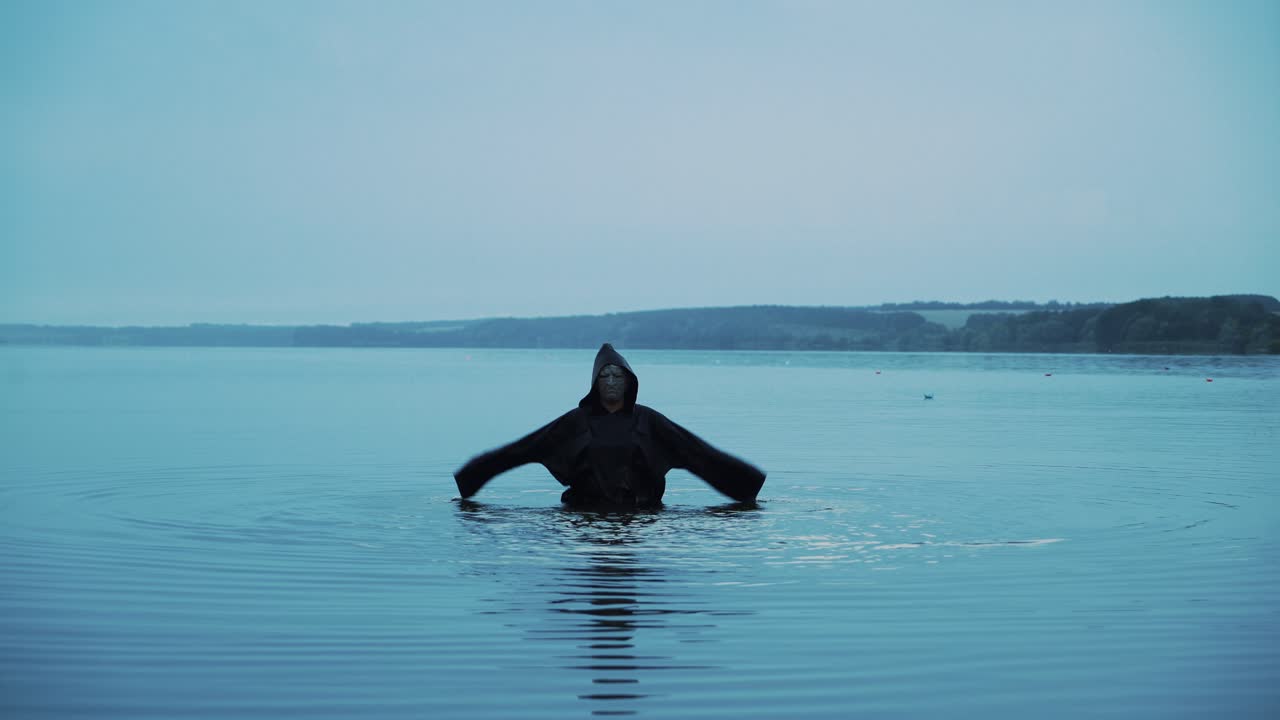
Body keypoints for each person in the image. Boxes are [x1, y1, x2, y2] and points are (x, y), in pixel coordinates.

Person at [454, 343, 766, 507]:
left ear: (630, 381)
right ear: (595, 382)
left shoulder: (647, 420)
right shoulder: (576, 422)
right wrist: (472, 478)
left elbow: (698, 454)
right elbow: (522, 449)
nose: (613, 382)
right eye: (605, 376)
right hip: (583, 516)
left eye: (619, 376)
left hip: (642, 516)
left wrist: (746, 486)